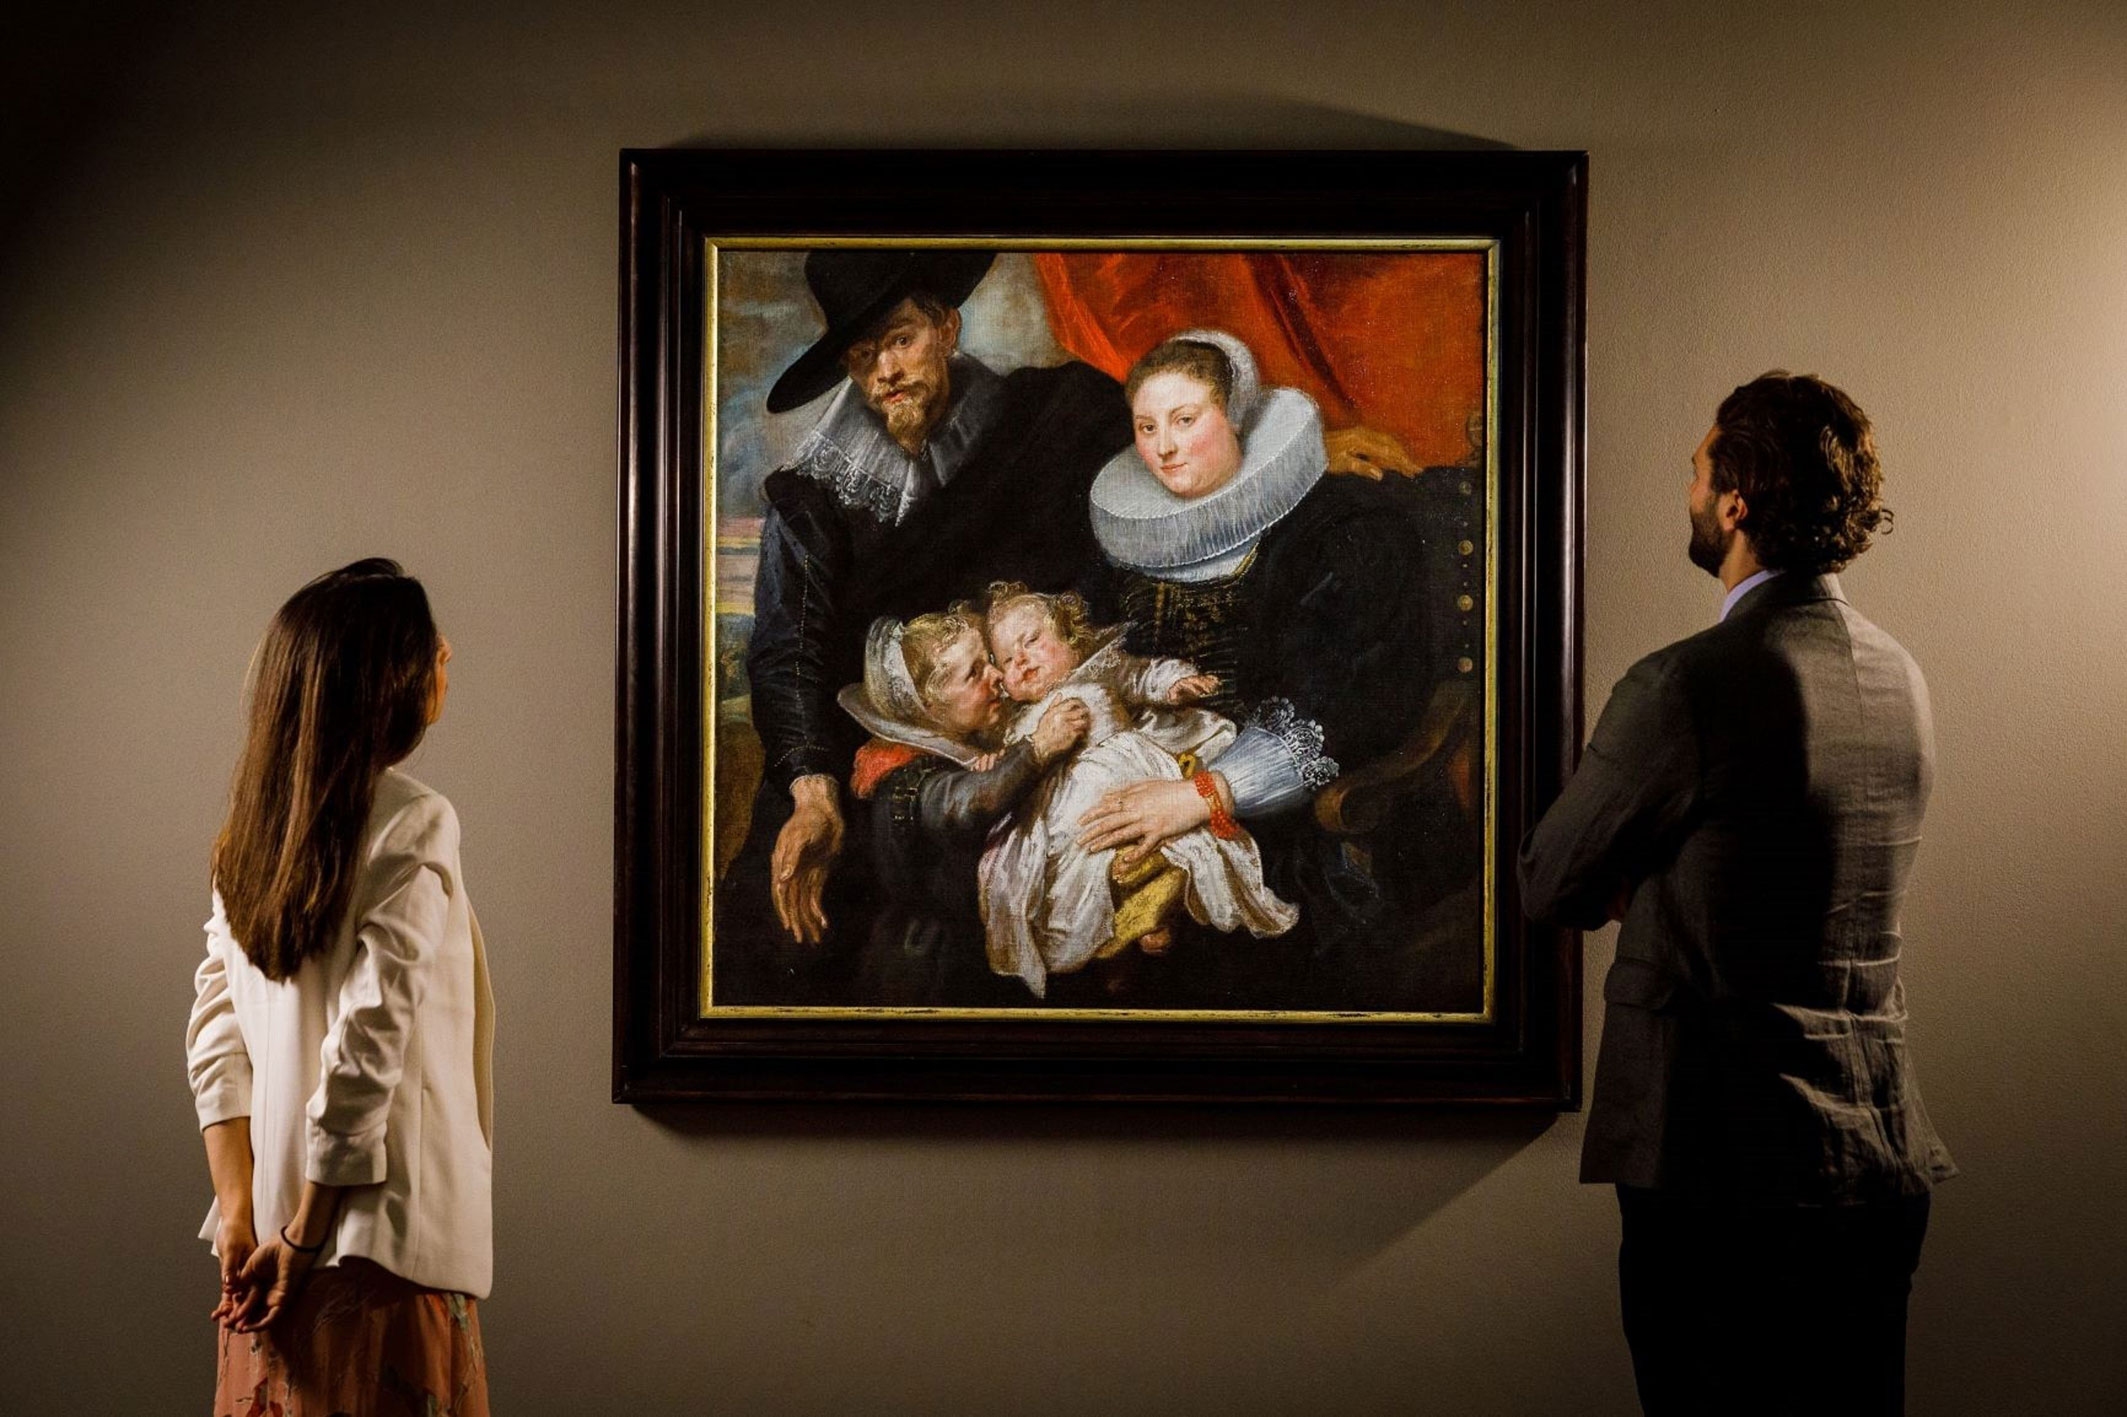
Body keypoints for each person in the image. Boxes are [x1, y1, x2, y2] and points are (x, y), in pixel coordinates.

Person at [1519, 373, 1955, 1415]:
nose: (1689, 487)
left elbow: (1548, 881)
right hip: (1874, 1160)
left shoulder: (1689, 683)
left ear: (1736, 500)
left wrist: (1643, 875)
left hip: (1719, 1166)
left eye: (1698, 468)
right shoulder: (1901, 676)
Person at [722, 248, 1133, 1002]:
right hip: (864, 751)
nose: (886, 370)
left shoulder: (1046, 421)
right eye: (862, 355)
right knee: (778, 933)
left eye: (901, 339)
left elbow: (1150, 465)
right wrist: (813, 790)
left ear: (946, 328)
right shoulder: (813, 497)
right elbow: (788, 655)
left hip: (1024, 717)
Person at [1072, 330, 1471, 1008]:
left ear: (1235, 417)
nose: (1164, 447)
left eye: (1185, 420)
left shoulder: (1345, 526)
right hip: (1142, 779)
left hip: (1295, 816)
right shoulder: (1124, 542)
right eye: (1147, 427)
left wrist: (1202, 795)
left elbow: (1355, 701)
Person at [185, 559, 494, 1413]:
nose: (446, 651)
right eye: (426, 643)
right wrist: (305, 1231)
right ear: (381, 681)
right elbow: (367, 1044)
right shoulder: (414, 820)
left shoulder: (247, 838)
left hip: (263, 1258)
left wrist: (241, 1213)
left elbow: (215, 1035)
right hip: (379, 1253)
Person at [978, 584, 1297, 998]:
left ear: (1071, 637)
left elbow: (1142, 676)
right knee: (1078, 867)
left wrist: (1175, 683)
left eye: (1032, 641)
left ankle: (1160, 912)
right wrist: (998, 760)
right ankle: (1115, 945)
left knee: (1172, 840)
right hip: (1068, 803)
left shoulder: (1098, 668)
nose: (1021, 661)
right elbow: (1014, 764)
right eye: (1007, 660)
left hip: (1133, 773)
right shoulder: (1017, 720)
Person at [835, 609, 1090, 1004]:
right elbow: (970, 802)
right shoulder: (908, 779)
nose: (998, 675)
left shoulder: (970, 749)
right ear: (928, 705)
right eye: (974, 673)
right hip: (935, 968)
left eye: (989, 661)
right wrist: (1038, 749)